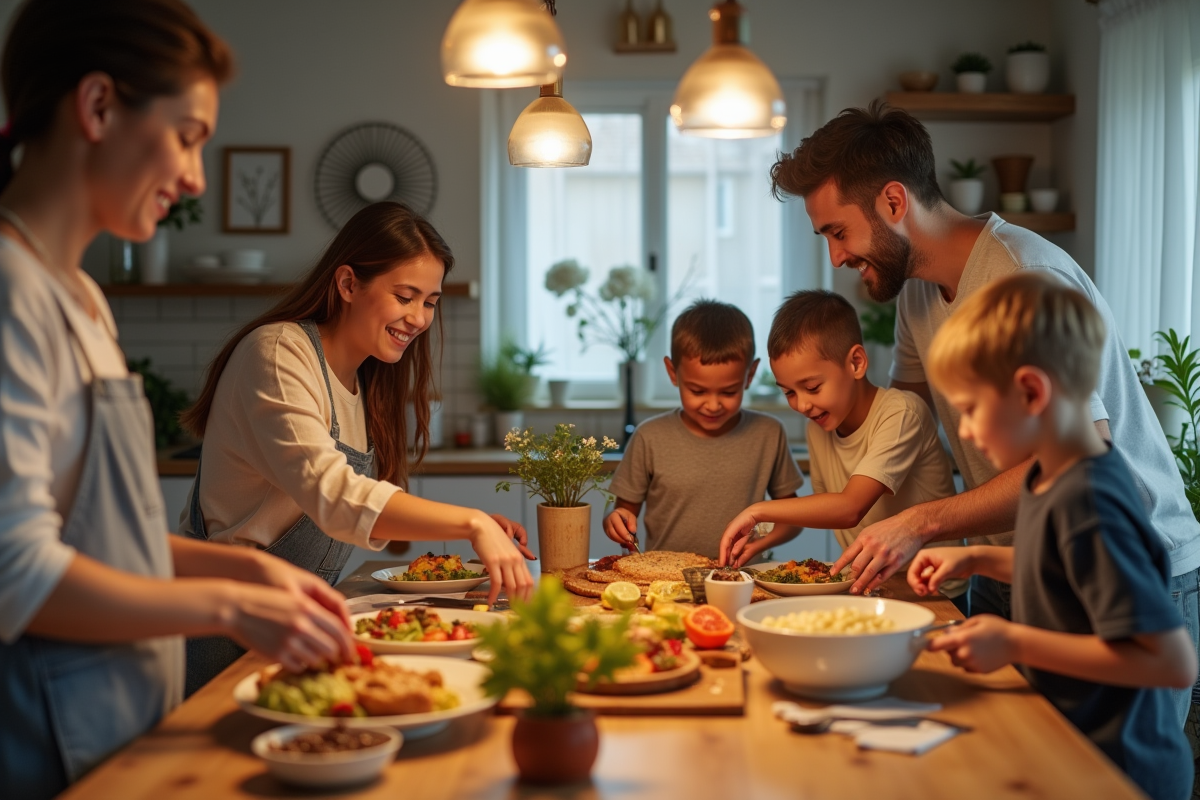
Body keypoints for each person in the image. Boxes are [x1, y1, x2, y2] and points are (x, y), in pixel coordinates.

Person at [0, 1, 359, 796]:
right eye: (188, 136)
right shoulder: (9, 291)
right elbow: (16, 572)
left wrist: (248, 576)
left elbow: (100, 544)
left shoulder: (83, 300)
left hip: (120, 725)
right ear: (97, 106)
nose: (196, 176)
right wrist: (226, 607)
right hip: (41, 743)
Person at [769, 100, 1200, 724]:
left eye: (838, 232)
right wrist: (829, 419)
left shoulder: (1021, 278)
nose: (835, 258)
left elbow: (1085, 452)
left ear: (894, 202)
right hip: (1011, 557)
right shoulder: (917, 289)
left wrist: (920, 522)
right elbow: (903, 416)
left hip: (1115, 565)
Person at [178, 201, 535, 694]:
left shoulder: (362, 376)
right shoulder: (280, 351)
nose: (418, 317)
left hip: (297, 618)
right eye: (405, 296)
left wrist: (468, 525)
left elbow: (364, 505)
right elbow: (335, 494)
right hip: (234, 623)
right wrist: (469, 521)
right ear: (348, 285)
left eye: (430, 301)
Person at [909, 272, 1196, 800]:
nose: (965, 432)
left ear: (1030, 391)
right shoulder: (1051, 473)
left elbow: (1171, 661)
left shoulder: (1092, 501)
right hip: (1078, 753)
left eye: (970, 410)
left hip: (1123, 770)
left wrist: (1014, 640)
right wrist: (975, 563)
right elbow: (1061, 566)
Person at [717, 290, 967, 607]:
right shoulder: (818, 429)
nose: (802, 405)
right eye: (789, 393)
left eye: (812, 387)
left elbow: (849, 508)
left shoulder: (901, 413)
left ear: (856, 363)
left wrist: (757, 510)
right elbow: (825, 511)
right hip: (867, 589)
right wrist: (762, 538)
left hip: (932, 591)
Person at [603, 300, 803, 559]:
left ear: (750, 374)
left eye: (729, 391)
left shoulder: (768, 433)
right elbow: (620, 513)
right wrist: (614, 521)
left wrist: (757, 545)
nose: (713, 405)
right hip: (665, 585)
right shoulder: (649, 437)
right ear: (672, 373)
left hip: (741, 582)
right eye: (697, 391)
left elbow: (793, 518)